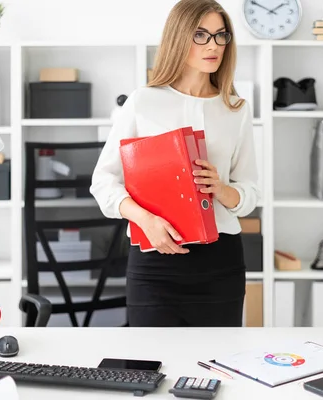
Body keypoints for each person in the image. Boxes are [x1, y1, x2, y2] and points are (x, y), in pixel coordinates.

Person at [89, 0, 260, 327]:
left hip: (220, 264)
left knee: (215, 371)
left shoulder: (236, 109)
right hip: (154, 261)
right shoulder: (143, 101)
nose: (213, 46)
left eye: (220, 36)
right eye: (201, 35)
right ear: (179, 37)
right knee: (149, 369)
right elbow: (104, 181)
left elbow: (251, 191)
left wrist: (222, 190)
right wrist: (145, 219)